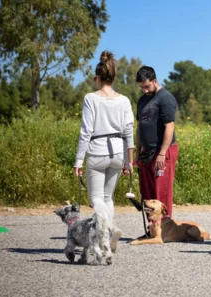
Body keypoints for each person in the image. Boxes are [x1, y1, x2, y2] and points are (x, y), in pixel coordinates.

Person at [74, 50, 134, 252]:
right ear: (113, 77)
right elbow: (128, 133)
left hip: (98, 151)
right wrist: (129, 161)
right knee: (107, 198)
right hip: (117, 153)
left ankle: (109, 229)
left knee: (96, 199)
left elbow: (86, 132)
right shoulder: (124, 100)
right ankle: (107, 236)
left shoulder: (91, 98)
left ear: (98, 78)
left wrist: (78, 161)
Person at [134, 66, 179, 228]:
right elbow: (140, 128)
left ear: (154, 81)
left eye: (147, 86)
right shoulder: (142, 100)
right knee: (147, 195)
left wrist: (162, 153)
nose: (145, 90)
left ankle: (165, 229)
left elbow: (170, 127)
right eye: (142, 87)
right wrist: (137, 154)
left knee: (162, 193)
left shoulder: (165, 98)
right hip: (146, 153)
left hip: (162, 152)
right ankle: (152, 229)